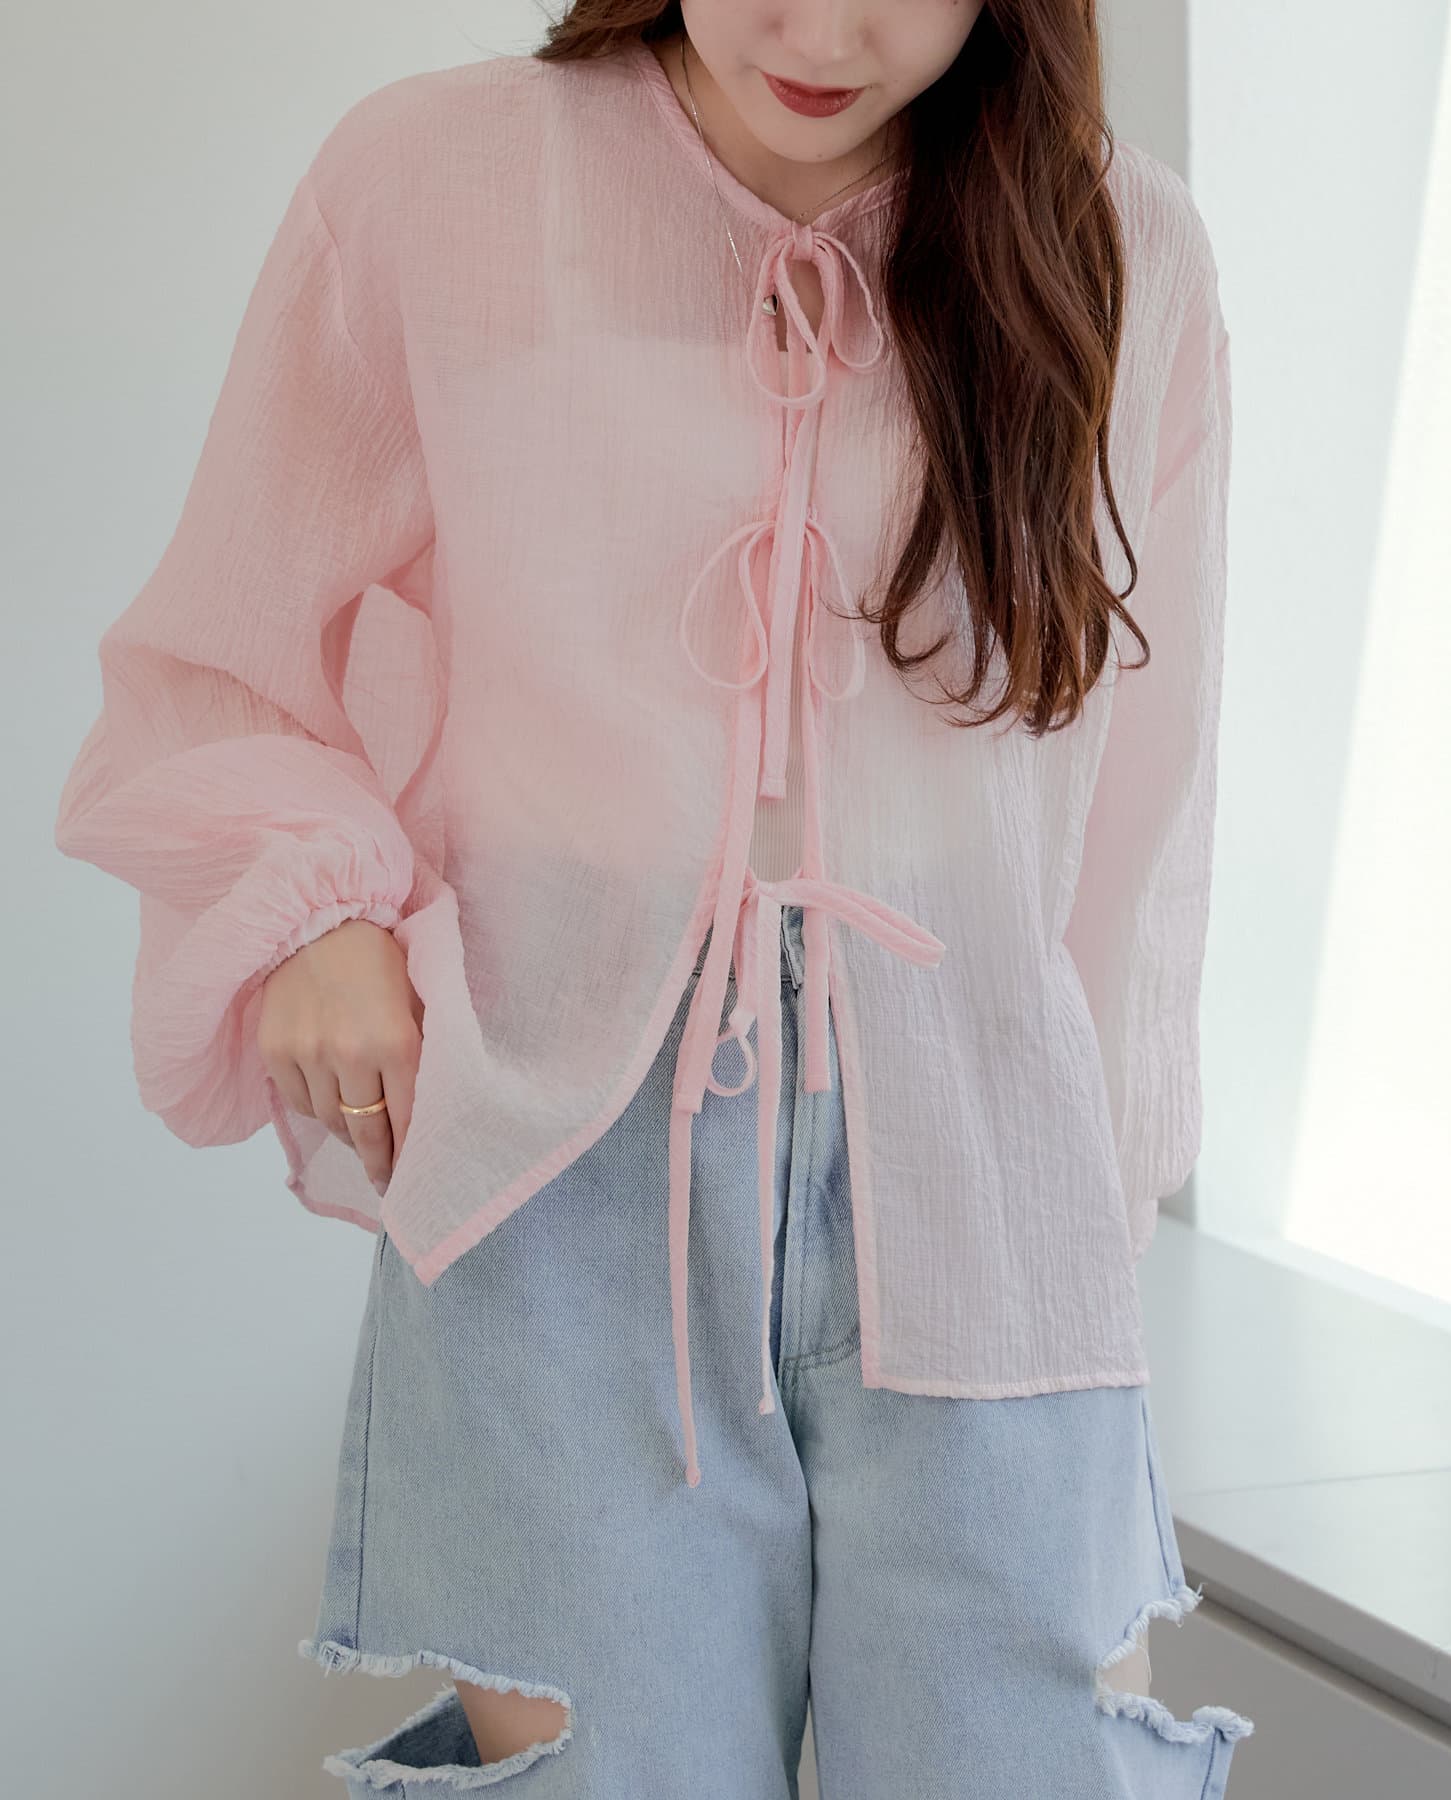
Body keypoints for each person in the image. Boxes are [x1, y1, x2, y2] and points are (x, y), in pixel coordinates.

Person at [52, 2, 1256, 1793]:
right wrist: (313, 911)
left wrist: (1098, 1194)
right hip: (569, 1176)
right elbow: (220, 656)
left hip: (983, 1171)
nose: (823, 27)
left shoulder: (1121, 242)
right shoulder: (435, 181)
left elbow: (1144, 805)